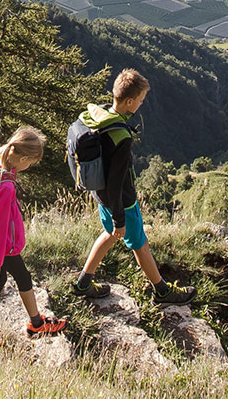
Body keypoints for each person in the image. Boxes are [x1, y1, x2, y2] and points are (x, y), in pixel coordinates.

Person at [69, 70, 194, 303]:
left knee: (109, 235)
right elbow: (117, 180)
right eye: (141, 100)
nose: (141, 104)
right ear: (129, 101)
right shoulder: (121, 135)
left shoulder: (100, 114)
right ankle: (163, 291)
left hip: (101, 195)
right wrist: (120, 218)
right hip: (122, 202)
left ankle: (83, 283)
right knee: (140, 244)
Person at [0, 127, 65, 346]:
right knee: (21, 278)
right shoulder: (5, 186)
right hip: (2, 246)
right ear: (23, 158)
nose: (28, 167)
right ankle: (35, 323)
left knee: (0, 283)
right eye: (30, 163)